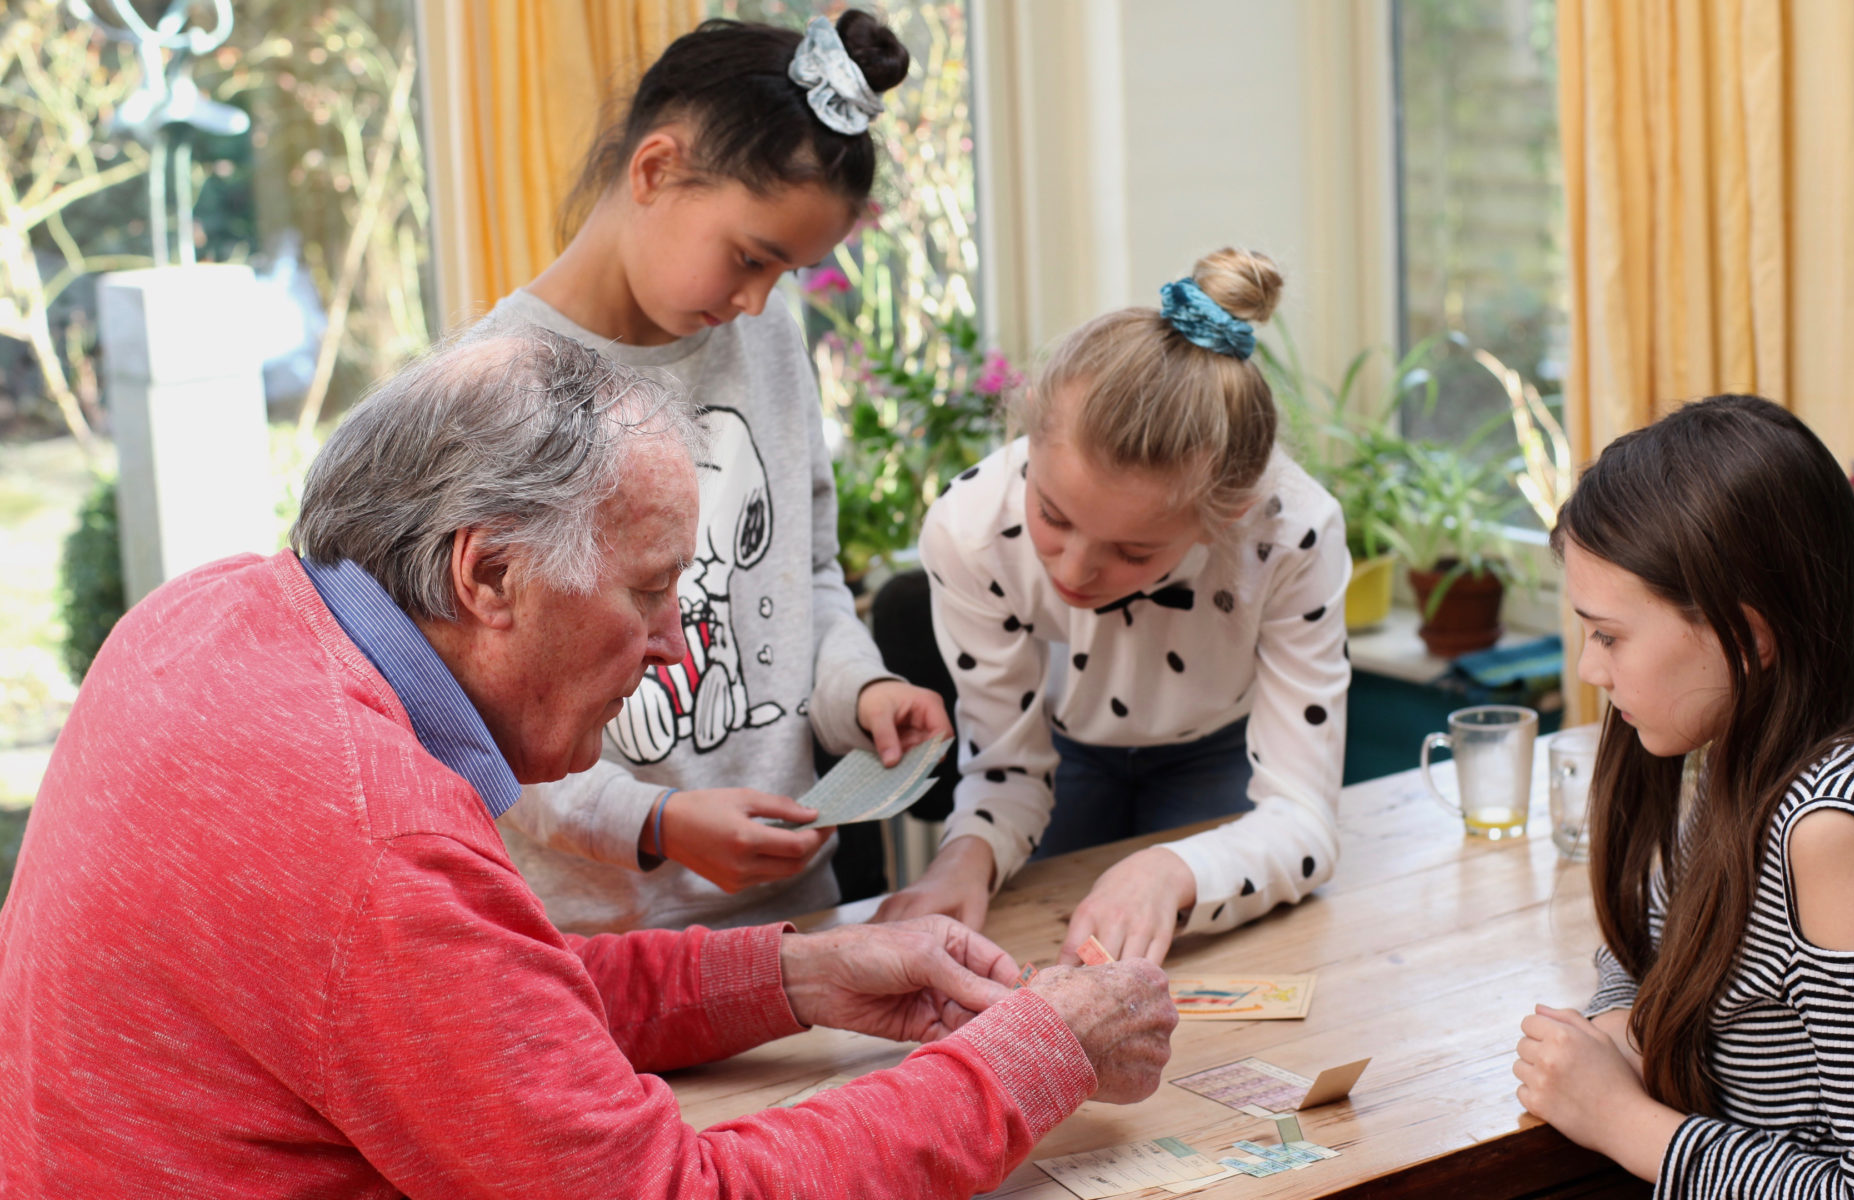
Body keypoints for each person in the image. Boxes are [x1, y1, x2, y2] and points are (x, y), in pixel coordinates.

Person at [0, 331, 1178, 1198]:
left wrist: (801, 974)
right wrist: (1036, 1053)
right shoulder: (378, 841)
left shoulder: (206, 613)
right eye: (649, 589)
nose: (674, 641)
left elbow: (485, 1002)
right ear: (488, 576)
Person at [476, 12, 948, 934]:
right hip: (600, 955)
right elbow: (475, 725)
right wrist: (655, 824)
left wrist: (862, 693)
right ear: (654, 169)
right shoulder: (499, 387)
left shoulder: (761, 334)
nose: (757, 301)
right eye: (749, 258)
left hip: (793, 927)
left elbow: (804, 577)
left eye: (788, 274)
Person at [1511, 396, 1854, 1195]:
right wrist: (1612, 1037)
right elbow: (1659, 951)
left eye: (1609, 635)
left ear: (1750, 635)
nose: (1592, 671)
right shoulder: (1752, 754)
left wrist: (1620, 1119)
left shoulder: (1832, 826)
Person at [876, 249, 1350, 965]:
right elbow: (1005, 770)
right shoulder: (969, 528)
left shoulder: (1292, 533)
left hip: (1219, 751)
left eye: (1134, 552)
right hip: (1064, 754)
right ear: (1029, 439)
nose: (1074, 570)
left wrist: (1172, 869)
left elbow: (1303, 822)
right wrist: (962, 860)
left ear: (1231, 516)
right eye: (1053, 515)